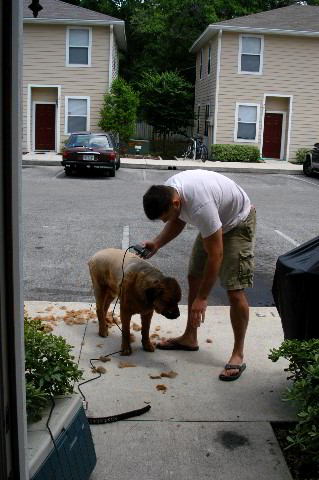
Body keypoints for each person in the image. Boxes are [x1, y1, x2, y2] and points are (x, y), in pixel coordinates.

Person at [142, 169, 256, 381]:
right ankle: (189, 338)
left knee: (234, 289)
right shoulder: (170, 191)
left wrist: (203, 298)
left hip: (237, 222)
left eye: (164, 217)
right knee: (194, 276)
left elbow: (216, 255)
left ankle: (238, 354)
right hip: (216, 221)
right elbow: (177, 220)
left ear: (176, 203)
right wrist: (157, 243)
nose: (164, 221)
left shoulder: (200, 206)